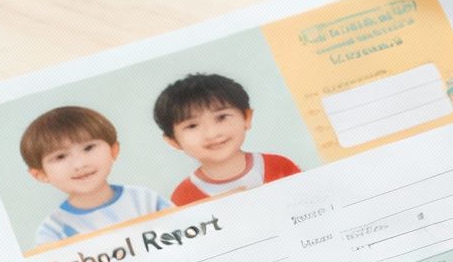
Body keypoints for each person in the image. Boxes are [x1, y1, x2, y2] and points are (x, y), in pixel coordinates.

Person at [21, 106, 164, 248]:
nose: (79, 164)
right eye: (60, 156)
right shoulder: (53, 231)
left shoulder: (145, 200)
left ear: (113, 150)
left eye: (88, 148)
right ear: (40, 174)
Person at [152, 73, 301, 206]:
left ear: (246, 117)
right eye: (192, 126)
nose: (212, 133)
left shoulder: (280, 166)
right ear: (173, 141)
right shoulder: (183, 197)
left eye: (222, 117)